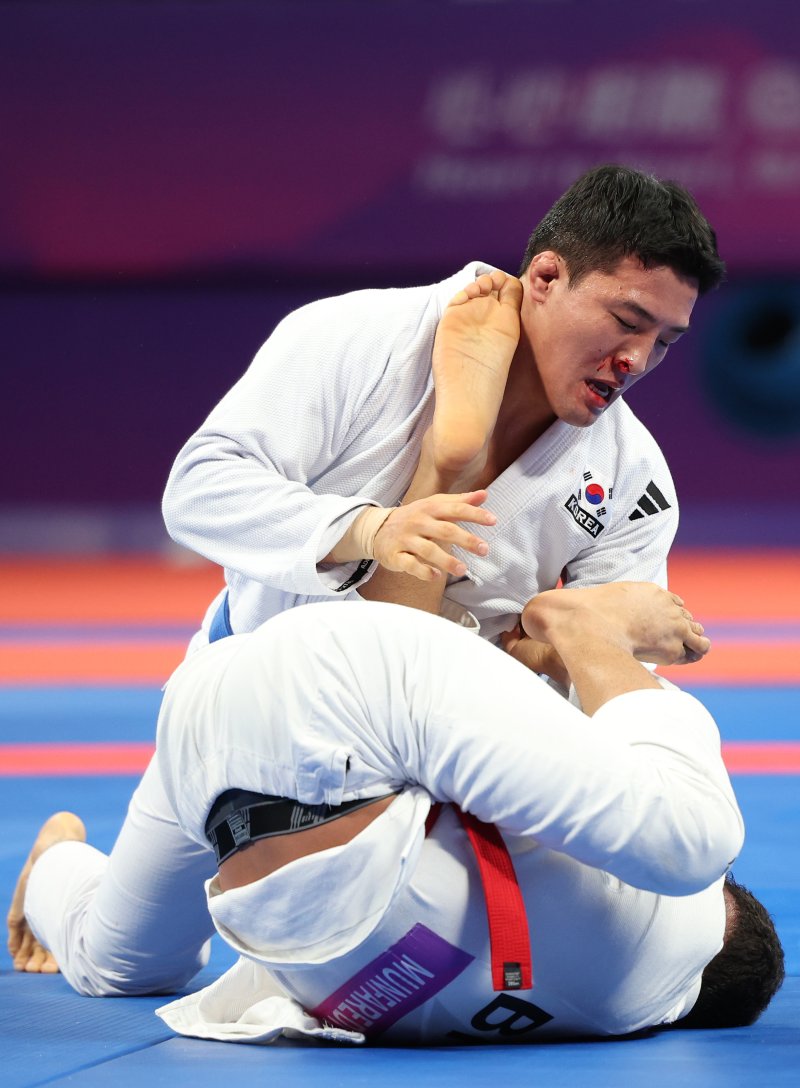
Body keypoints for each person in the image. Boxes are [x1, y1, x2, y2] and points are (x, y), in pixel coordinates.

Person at [9, 584, 784, 1043]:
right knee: (116, 967)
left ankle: (587, 628)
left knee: (690, 833)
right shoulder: (575, 1008)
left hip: (335, 682)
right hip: (219, 766)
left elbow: (681, 839)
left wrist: (595, 661)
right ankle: (54, 875)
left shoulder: (668, 945)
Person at [161, 164, 726, 649]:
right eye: (626, 322)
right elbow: (199, 489)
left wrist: (560, 650)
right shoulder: (361, 335)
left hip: (452, 735)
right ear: (546, 277)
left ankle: (449, 460)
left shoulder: (632, 477)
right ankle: (451, 455)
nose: (637, 359)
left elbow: (606, 667)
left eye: (665, 343)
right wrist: (366, 529)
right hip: (266, 699)